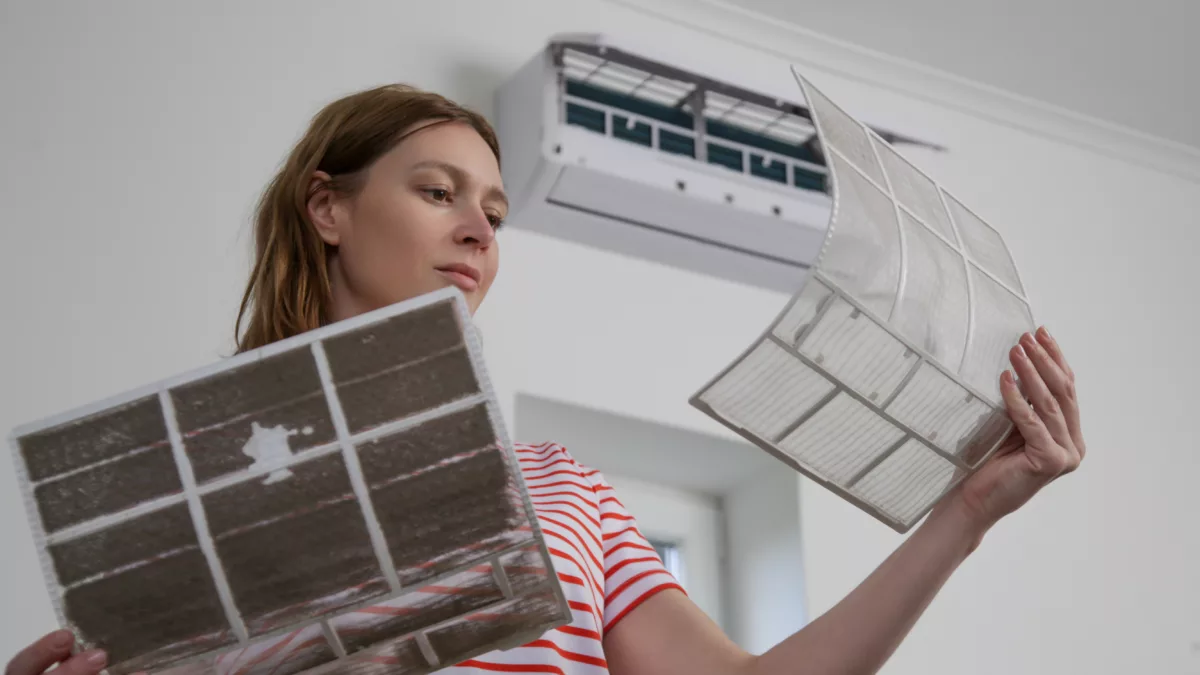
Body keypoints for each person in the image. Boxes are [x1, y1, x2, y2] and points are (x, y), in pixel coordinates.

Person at [5, 84, 1086, 675]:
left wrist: (970, 510)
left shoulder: (557, 488)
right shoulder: (176, 504)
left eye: (495, 212)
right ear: (327, 209)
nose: (478, 227)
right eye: (437, 191)